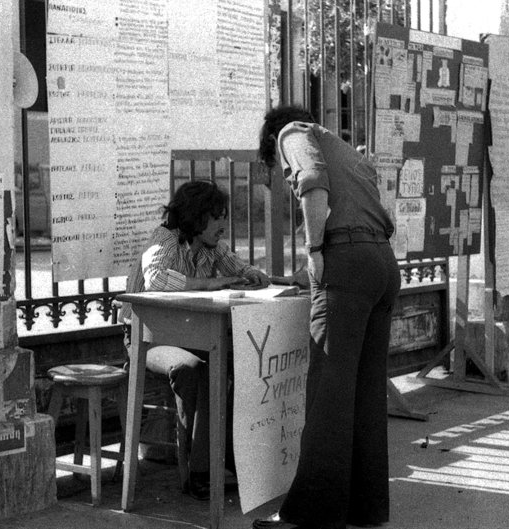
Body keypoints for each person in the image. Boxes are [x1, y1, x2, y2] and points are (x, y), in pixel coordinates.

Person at [253, 106, 400, 529]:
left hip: (346, 263)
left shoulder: (292, 134)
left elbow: (312, 184)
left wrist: (316, 252)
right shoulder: (348, 152)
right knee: (365, 393)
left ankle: (310, 516)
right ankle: (366, 508)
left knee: (328, 394)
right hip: (382, 264)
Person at [121, 180, 270, 501]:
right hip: (148, 340)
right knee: (196, 368)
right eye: (216, 217)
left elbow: (238, 267)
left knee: (236, 362)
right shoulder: (166, 238)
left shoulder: (211, 245)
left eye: (224, 216)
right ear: (195, 216)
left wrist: (252, 274)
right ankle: (200, 470)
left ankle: (226, 457)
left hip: (190, 336)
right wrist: (211, 284)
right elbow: (156, 278)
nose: (222, 224)